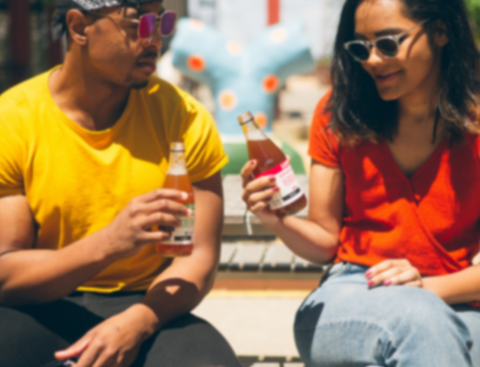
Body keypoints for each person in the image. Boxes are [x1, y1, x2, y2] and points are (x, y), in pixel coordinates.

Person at [0, 1, 241, 367]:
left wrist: (138, 322)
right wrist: (109, 243)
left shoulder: (184, 117)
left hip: (149, 302)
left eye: (162, 20)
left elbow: (198, 256)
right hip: (42, 303)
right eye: (138, 23)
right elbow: (7, 274)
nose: (155, 38)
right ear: (80, 27)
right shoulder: (12, 120)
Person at [241, 0, 480, 366]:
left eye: (387, 43)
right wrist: (276, 220)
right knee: (420, 321)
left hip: (455, 294)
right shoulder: (338, 113)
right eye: (359, 47)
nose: (370, 60)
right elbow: (325, 242)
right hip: (353, 290)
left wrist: (427, 289)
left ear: (441, 31)